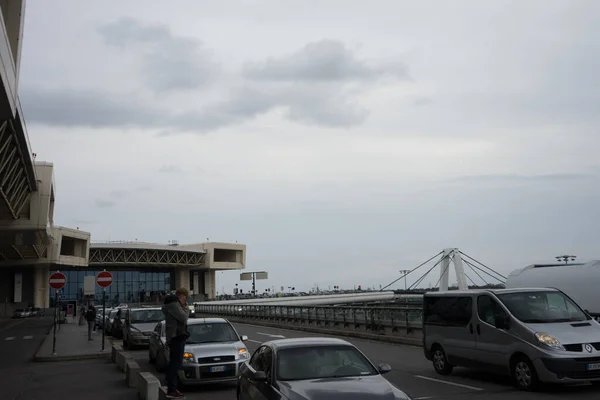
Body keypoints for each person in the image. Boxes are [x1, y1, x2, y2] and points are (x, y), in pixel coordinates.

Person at [162, 288, 190, 399]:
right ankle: (172, 389)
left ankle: (172, 388)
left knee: (174, 363)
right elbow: (183, 318)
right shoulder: (174, 305)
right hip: (176, 337)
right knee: (176, 363)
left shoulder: (171, 305)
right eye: (185, 298)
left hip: (175, 337)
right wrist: (186, 308)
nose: (185, 300)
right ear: (181, 296)